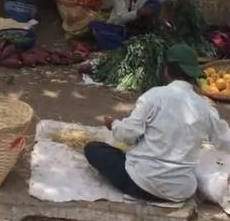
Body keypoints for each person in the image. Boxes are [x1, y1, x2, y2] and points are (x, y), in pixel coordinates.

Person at [84, 43, 230, 202]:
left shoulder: (154, 96)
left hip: (140, 183)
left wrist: (114, 125)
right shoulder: (205, 108)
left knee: (94, 149)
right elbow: (225, 140)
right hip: (180, 192)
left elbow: (128, 135)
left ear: (167, 70)